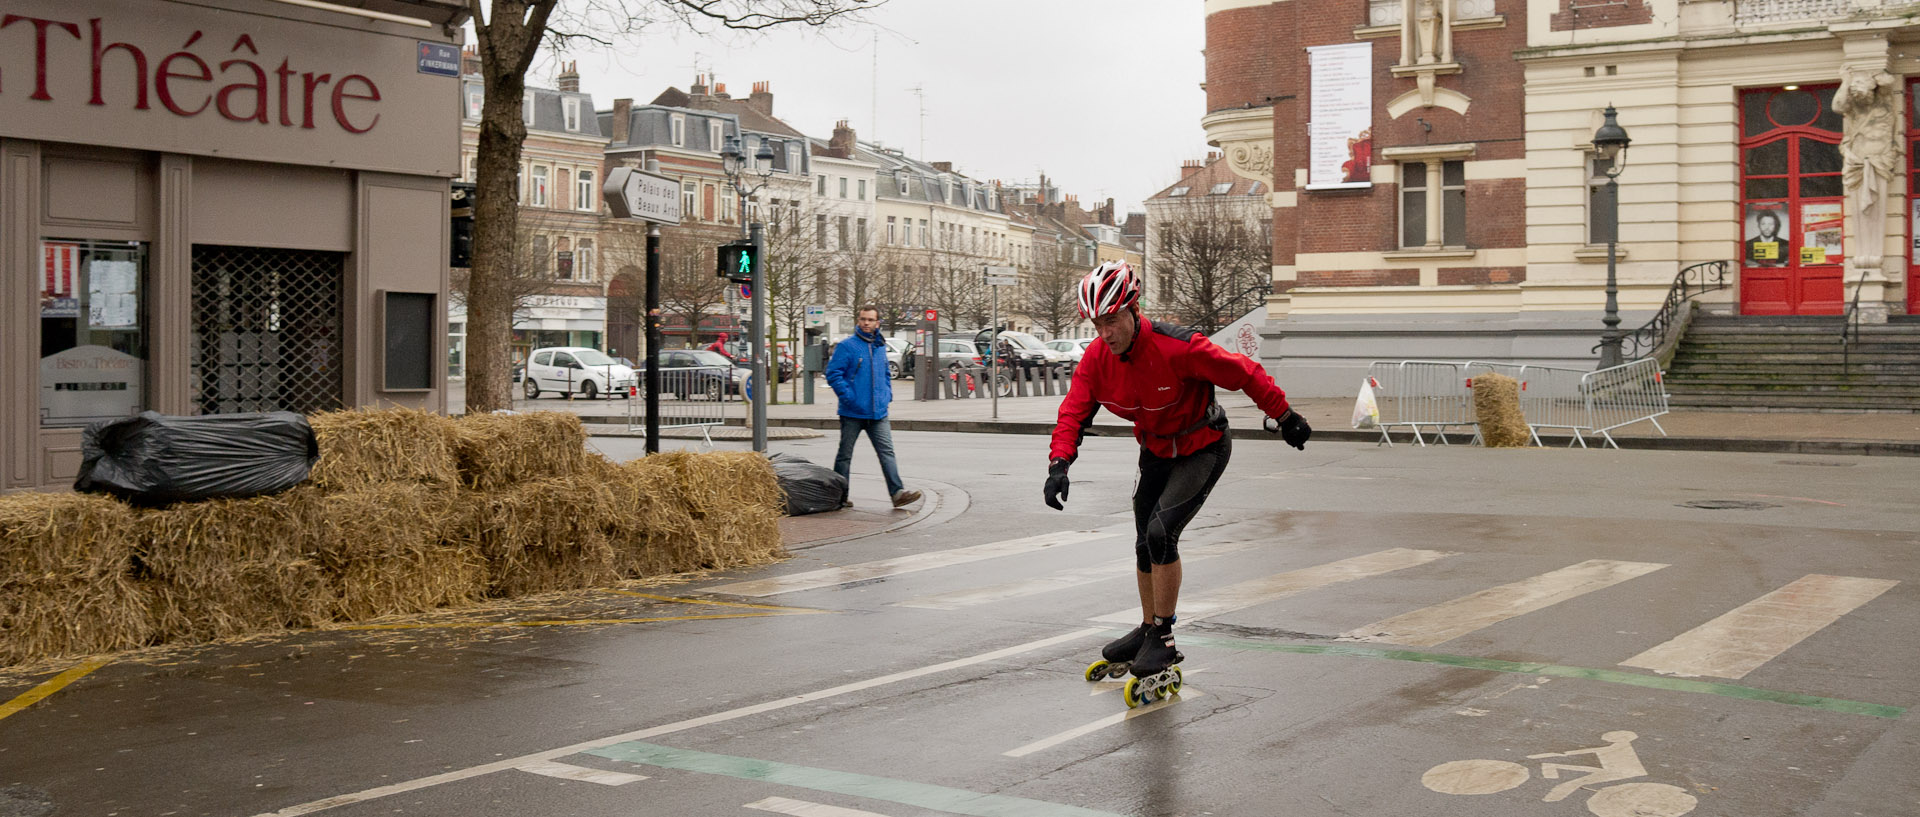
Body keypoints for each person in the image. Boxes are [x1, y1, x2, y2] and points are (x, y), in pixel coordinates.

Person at [1044, 260, 1310, 682]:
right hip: (1155, 450)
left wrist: (1284, 415)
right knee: (1141, 542)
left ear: (1132, 310)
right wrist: (1059, 463)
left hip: (1201, 446)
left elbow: (1245, 372)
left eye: (1111, 320)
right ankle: (1149, 626)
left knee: (1160, 532)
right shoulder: (1097, 359)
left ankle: (1164, 638)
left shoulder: (1179, 346)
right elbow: (1073, 411)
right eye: (1097, 324)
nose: (1105, 333)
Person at [827, 305, 922, 509]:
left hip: (878, 412)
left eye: (870, 320)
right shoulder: (847, 346)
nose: (866, 323)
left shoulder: (879, 346)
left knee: (887, 452)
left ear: (877, 322)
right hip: (852, 412)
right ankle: (839, 497)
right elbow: (834, 374)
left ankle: (897, 493)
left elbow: (885, 374)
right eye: (863, 319)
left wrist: (887, 395)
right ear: (858, 321)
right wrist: (849, 397)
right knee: (845, 455)